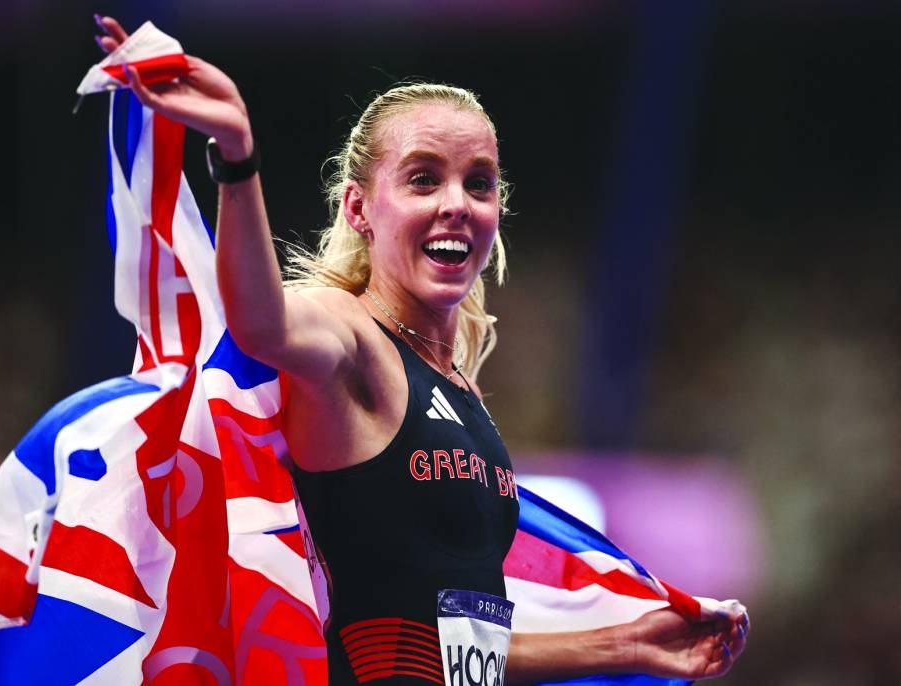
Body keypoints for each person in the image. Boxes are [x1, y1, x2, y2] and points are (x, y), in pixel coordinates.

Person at [96, 16, 749, 686]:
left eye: (479, 182)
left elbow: (444, 649)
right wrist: (237, 156)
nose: (456, 204)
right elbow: (262, 324)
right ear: (359, 209)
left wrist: (627, 644)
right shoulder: (349, 337)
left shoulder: (458, 386)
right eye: (423, 179)